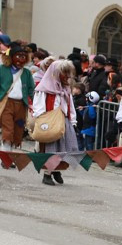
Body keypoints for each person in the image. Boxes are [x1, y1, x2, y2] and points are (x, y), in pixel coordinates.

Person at [31, 58, 79, 186]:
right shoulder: (44, 89)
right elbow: (38, 107)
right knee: (50, 148)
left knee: (65, 147)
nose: (67, 77)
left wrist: (73, 121)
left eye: (68, 73)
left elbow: (71, 106)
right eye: (64, 73)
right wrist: (42, 121)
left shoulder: (66, 89)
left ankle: (57, 169)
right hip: (50, 122)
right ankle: (47, 174)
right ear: (56, 73)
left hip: (64, 122)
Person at [0, 43, 35, 153]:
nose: (21, 59)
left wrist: (33, 103)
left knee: (18, 129)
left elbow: (31, 89)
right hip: (7, 103)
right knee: (8, 129)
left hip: (21, 104)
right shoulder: (3, 69)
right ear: (11, 57)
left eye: (24, 56)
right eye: (18, 56)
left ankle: (13, 154)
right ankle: (5, 154)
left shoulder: (27, 73)